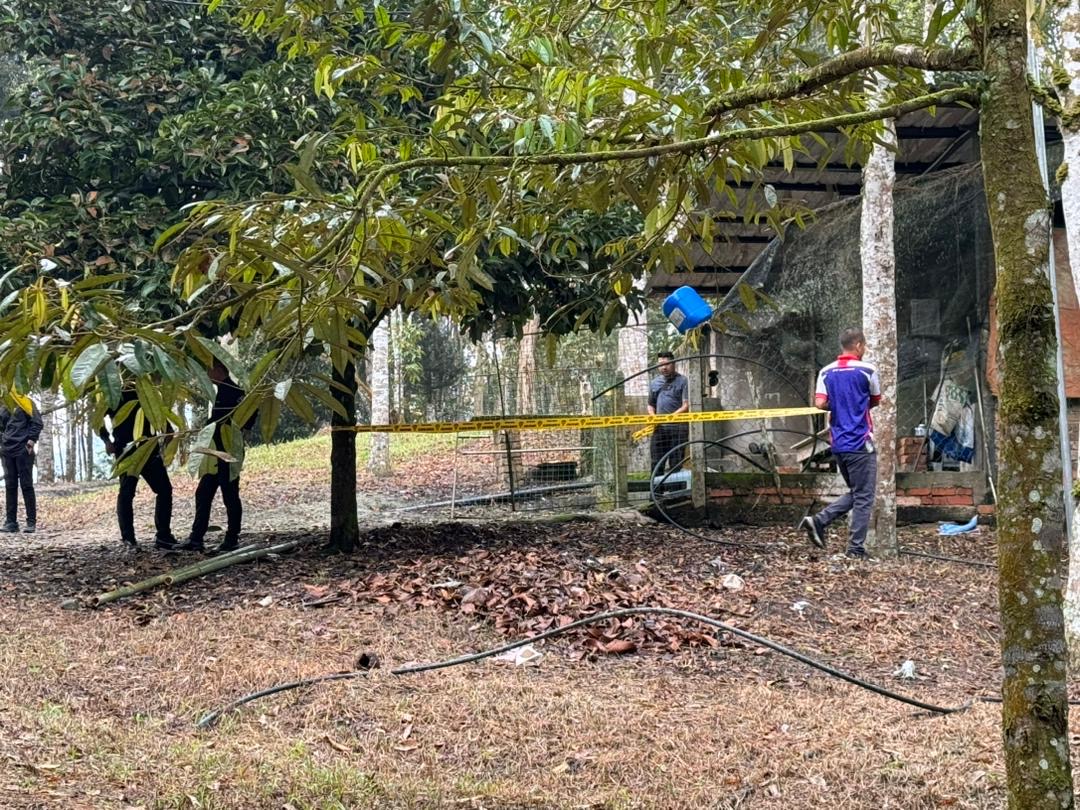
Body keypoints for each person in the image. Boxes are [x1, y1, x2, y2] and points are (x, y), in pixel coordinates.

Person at [799, 327, 881, 559]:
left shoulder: (826, 372)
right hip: (860, 442)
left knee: (858, 492)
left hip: (838, 444)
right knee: (864, 496)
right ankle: (854, 548)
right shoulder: (868, 370)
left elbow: (819, 403)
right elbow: (876, 400)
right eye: (863, 346)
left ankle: (819, 521)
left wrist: (839, 404)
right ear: (858, 346)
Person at [180, 359, 255, 554]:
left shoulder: (234, 391)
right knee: (204, 492)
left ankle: (232, 538)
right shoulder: (220, 392)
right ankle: (196, 538)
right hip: (214, 452)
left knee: (230, 494)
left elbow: (250, 410)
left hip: (229, 451)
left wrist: (244, 430)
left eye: (209, 370)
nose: (207, 374)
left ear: (219, 370)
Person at [99, 388, 176, 551]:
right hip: (126, 450)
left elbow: (158, 411)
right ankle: (128, 538)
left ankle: (163, 535)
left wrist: (168, 430)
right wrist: (106, 440)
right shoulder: (115, 393)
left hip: (149, 448)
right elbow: (98, 418)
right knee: (127, 493)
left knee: (164, 490)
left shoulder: (148, 390)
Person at [0, 391, 43, 534]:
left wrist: (31, 441)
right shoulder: (4, 405)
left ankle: (31, 522)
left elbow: (37, 422)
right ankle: (11, 522)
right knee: (10, 486)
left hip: (23, 449)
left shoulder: (26, 402)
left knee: (26, 485)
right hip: (7, 451)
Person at [647, 351, 690, 476]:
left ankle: (675, 495)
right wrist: (654, 417)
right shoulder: (654, 383)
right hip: (659, 429)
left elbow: (686, 405)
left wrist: (671, 417)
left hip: (678, 429)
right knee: (656, 462)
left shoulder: (683, 381)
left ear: (674, 363)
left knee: (675, 464)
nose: (664, 367)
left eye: (667, 364)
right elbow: (650, 405)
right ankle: (656, 493)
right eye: (661, 364)